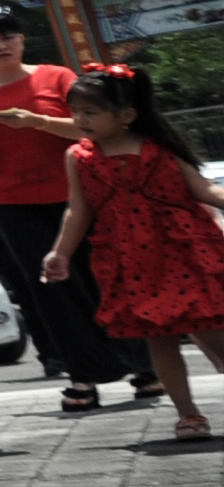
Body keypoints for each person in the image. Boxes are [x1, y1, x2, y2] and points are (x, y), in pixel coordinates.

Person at [0, 3, 137, 410]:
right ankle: (84, 376)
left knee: (104, 279)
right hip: (16, 208)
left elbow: (92, 127)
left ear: (22, 39)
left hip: (80, 197)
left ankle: (143, 367)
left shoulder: (57, 77)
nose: (1, 45)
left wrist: (38, 121)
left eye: (8, 36)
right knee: (52, 292)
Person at [39, 66, 218, 438]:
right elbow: (79, 210)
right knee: (160, 341)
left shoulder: (162, 147)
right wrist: (60, 253)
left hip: (184, 251)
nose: (80, 120)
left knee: (217, 332)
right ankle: (188, 414)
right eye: (76, 112)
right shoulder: (78, 156)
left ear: (127, 116)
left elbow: (204, 191)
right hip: (131, 260)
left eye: (91, 112)